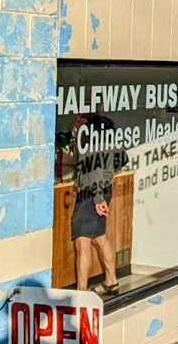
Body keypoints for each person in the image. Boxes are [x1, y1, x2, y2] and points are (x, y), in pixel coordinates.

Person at [69, 114, 119, 296]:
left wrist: (97, 199)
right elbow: (121, 160)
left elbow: (94, 170)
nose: (79, 125)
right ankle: (111, 281)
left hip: (91, 193)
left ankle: (81, 293)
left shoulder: (92, 143)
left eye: (83, 123)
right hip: (104, 189)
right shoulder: (110, 142)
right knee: (99, 237)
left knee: (82, 242)